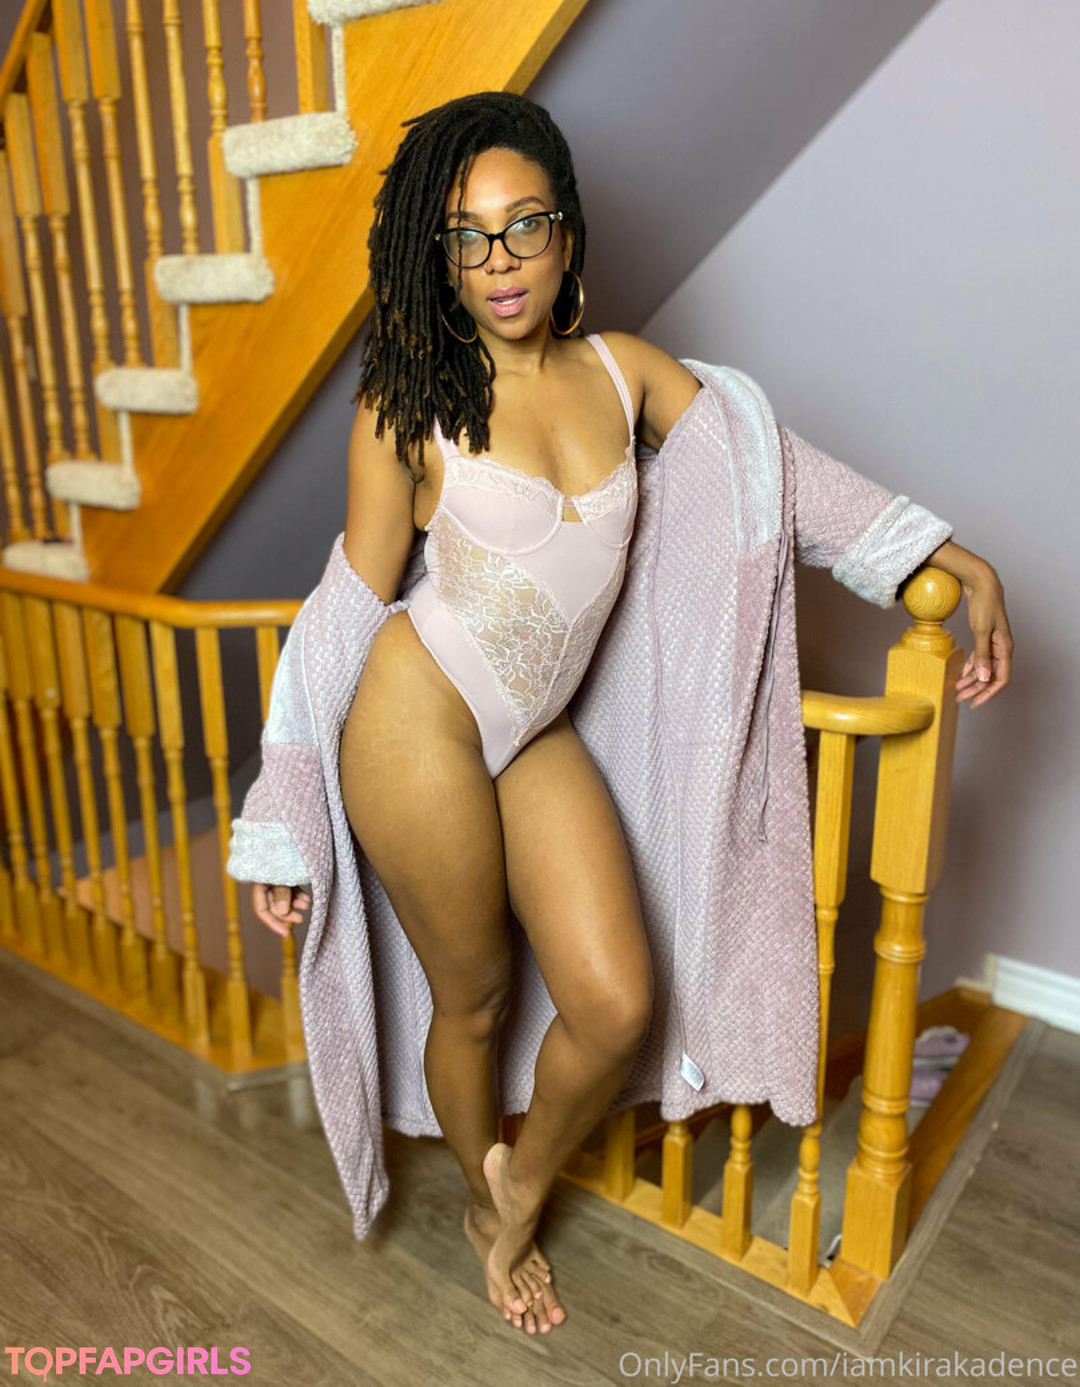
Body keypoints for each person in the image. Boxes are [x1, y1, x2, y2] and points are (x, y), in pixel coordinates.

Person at [246, 92, 1013, 1337]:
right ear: (440, 258)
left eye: (524, 225)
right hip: (415, 726)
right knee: (475, 998)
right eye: (467, 236)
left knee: (613, 1000)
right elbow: (348, 606)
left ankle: (518, 1187)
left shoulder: (625, 371)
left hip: (533, 731)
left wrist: (938, 552)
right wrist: (284, 812)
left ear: (566, 232)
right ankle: (487, 1204)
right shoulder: (406, 406)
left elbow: (774, 474)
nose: (500, 261)